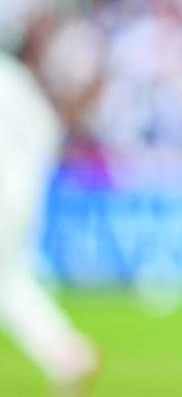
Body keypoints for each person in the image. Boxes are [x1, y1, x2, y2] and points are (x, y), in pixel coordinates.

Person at [0, 50, 99, 396]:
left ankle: (66, 352)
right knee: (9, 281)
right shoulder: (12, 75)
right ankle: (67, 353)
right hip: (23, 192)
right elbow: (49, 133)